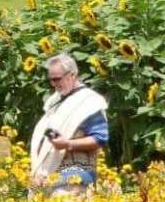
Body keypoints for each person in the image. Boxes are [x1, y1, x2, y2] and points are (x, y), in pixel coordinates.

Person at [29, 54, 109, 193]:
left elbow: (100, 138)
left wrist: (68, 144)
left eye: (57, 79)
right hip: (51, 175)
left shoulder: (89, 101)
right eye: (51, 80)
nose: (54, 84)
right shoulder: (55, 101)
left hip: (75, 175)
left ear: (72, 74)